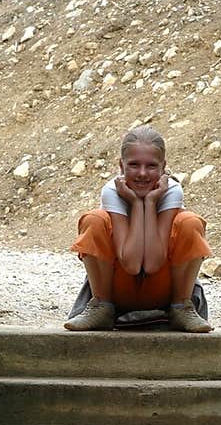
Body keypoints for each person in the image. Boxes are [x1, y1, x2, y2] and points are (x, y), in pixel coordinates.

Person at [64, 125, 213, 332]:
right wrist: (135, 203)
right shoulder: (111, 191)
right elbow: (133, 265)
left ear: (163, 168)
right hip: (119, 288)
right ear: (121, 166)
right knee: (94, 220)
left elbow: (152, 264)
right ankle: (101, 306)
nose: (142, 173)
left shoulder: (171, 191)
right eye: (134, 165)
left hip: (163, 289)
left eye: (151, 166)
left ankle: (182, 307)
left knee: (190, 223)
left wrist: (150, 203)